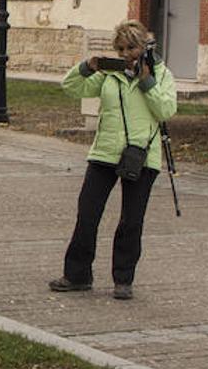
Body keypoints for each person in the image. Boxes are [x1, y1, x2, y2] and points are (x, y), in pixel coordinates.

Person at [51, 20, 176, 300]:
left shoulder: (162, 75)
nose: (126, 54)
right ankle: (77, 275)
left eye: (131, 47)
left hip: (142, 155)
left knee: (131, 221)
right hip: (104, 152)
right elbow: (72, 87)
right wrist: (87, 67)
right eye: (120, 49)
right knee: (87, 214)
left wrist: (147, 82)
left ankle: (123, 280)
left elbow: (166, 109)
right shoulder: (110, 75)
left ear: (145, 46)